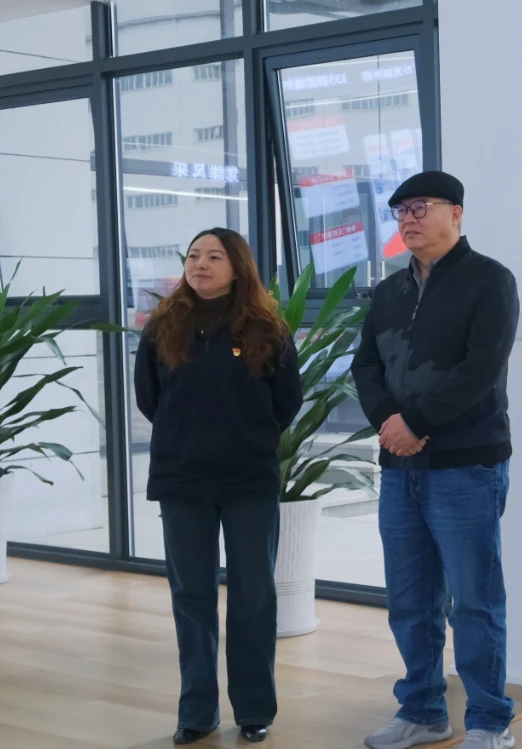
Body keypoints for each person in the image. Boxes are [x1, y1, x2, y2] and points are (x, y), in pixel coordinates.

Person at [352, 171, 521, 749]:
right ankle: (423, 711)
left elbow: (481, 367)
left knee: (474, 601)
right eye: (400, 211)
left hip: (467, 465)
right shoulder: (388, 292)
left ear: (456, 213)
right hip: (400, 467)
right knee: (410, 600)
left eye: (420, 207)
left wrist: (417, 423)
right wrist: (388, 422)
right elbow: (365, 365)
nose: (408, 219)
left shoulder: (490, 280)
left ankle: (490, 722)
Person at [134, 228, 303, 745]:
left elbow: (286, 401)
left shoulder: (267, 328)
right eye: (193, 256)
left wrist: (244, 436)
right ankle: (197, 711)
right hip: (182, 479)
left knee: (253, 594)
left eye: (213, 256)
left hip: (248, 479)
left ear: (238, 267)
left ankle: (254, 709)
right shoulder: (162, 327)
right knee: (192, 594)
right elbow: (150, 399)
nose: (200, 264)